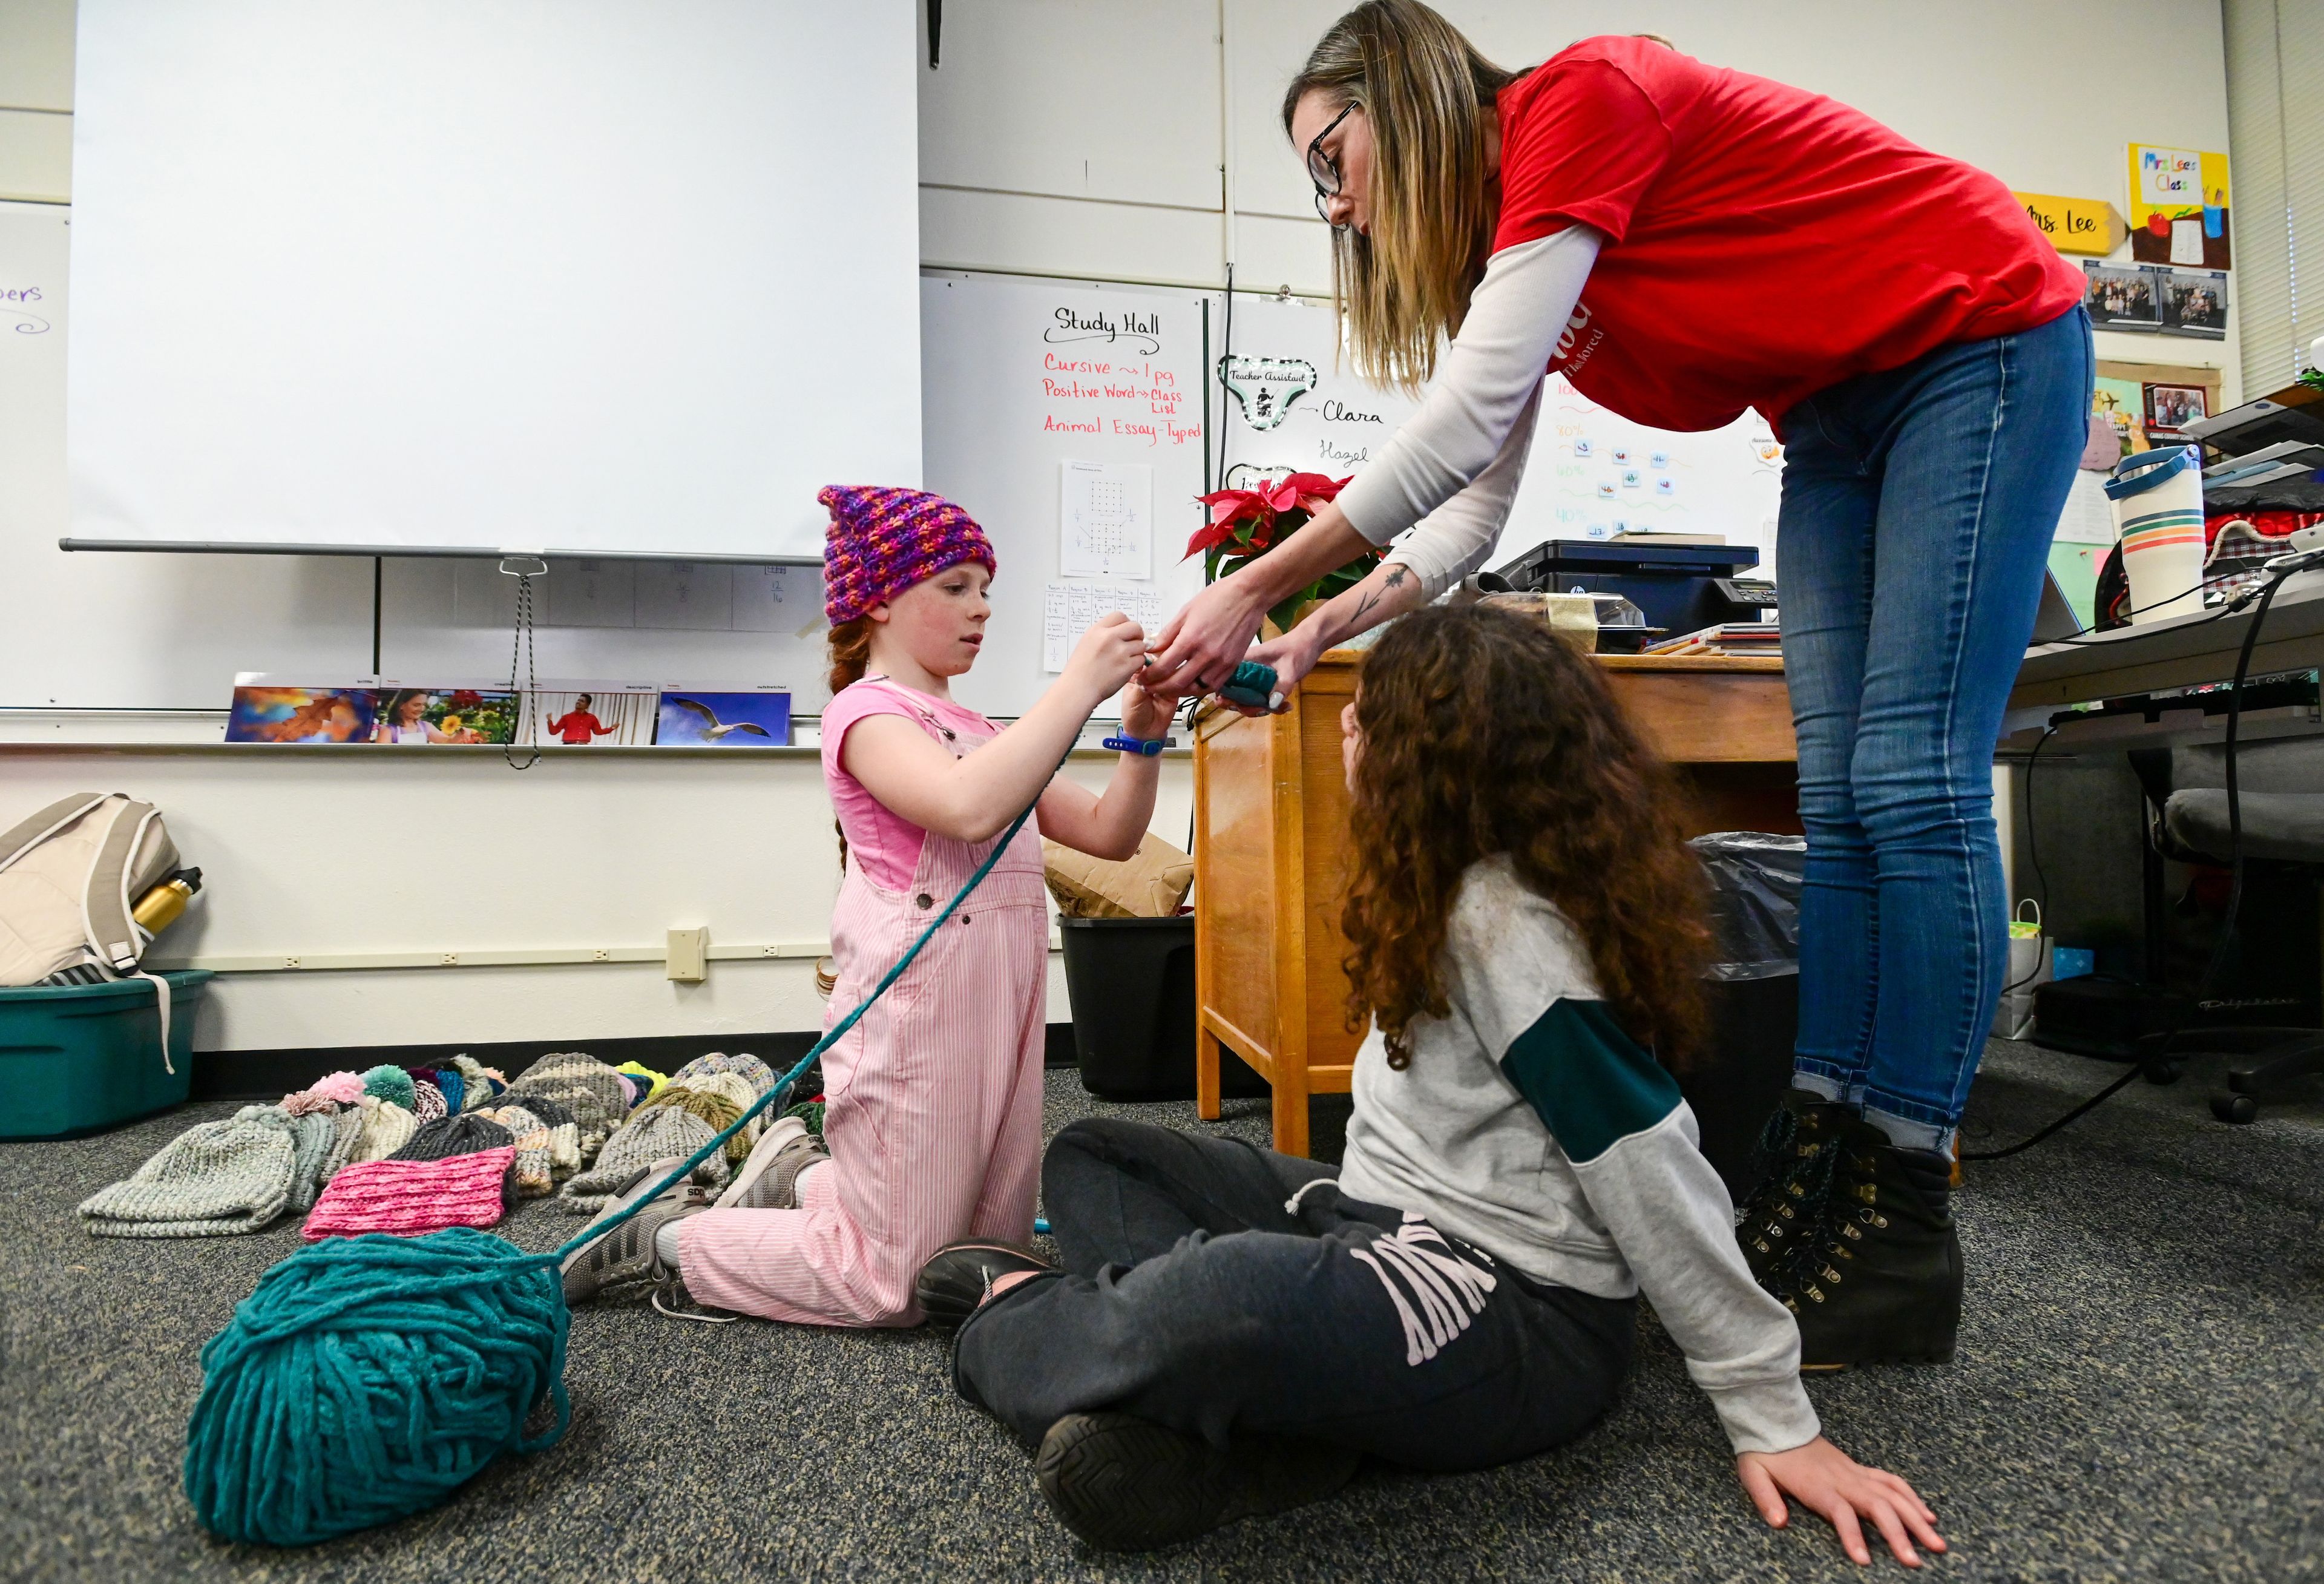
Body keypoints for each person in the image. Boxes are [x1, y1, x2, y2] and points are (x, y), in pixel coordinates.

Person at [1143, 1, 2093, 1367]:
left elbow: (1459, 423)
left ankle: (1899, 1214)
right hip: (1831, 409)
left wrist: (1243, 584)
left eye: (1329, 159)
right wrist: (1315, 624)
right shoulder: (1522, 252)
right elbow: (1469, 514)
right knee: (1835, 792)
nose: (1335, 207)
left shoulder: (1582, 103)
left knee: (1907, 777)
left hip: (1980, 342)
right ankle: (1815, 1160)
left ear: (1405, 95)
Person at [917, 606, 1943, 1564]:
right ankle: (1277, 1424)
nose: (1348, 729)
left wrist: (1772, 1412)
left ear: (1440, 762)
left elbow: (1650, 1159)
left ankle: (1016, 1318)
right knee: (1097, 1152)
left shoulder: (1504, 927)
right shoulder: (1444, 882)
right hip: (1380, 1225)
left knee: (1217, 1299)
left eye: (1371, 720)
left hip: (1517, 1313)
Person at [563, 485, 1164, 1326]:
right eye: (954, 586)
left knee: (984, 1262)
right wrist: (1076, 687)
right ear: (876, 598)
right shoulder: (863, 713)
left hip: (1002, 1005)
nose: (981, 608)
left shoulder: (987, 732)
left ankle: (802, 1179)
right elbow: (966, 808)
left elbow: (1111, 835)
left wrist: (1141, 733)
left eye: (986, 588)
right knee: (894, 1285)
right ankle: (665, 1237)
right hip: (917, 1019)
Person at [373, 689, 456, 744]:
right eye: (416, 705)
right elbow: (381, 757)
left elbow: (447, 742)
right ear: (401, 705)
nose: (421, 709)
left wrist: (461, 734)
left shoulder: (426, 727)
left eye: (424, 705)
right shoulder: (389, 731)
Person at [546, 692, 617, 745]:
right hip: (568, 746)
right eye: (578, 700)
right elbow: (554, 732)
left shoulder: (592, 718)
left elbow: (598, 732)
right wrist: (550, 721)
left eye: (582, 701)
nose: (578, 702)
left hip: (583, 746)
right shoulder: (566, 717)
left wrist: (612, 728)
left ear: (587, 705)